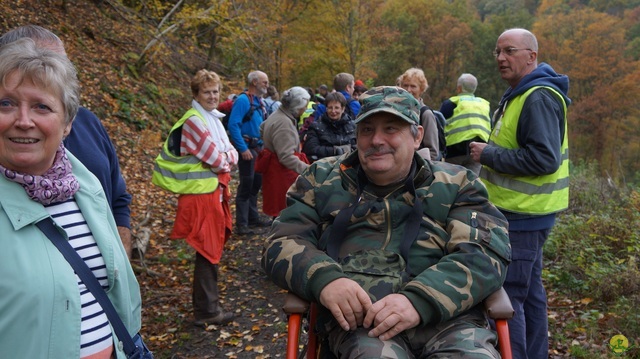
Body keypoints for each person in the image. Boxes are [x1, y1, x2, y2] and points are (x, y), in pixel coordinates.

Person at [262, 86, 511, 358]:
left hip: (448, 320)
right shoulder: (321, 179)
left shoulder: (458, 183)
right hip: (360, 321)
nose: (377, 140)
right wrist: (324, 279)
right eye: (367, 130)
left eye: (391, 129)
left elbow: (484, 254)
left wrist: (418, 301)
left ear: (417, 136)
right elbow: (282, 241)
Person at [0, 38, 141, 358]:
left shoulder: (85, 187)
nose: (23, 120)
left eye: (41, 106)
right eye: (6, 103)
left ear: (67, 124)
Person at [470, 28, 570, 359]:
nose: (501, 58)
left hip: (523, 215)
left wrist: (487, 154)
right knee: (530, 294)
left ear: (531, 56)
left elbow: (544, 159)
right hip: (524, 212)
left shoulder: (537, 97)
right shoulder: (522, 92)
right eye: (497, 52)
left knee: (509, 296)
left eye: (509, 51)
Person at [0, 25, 134, 258]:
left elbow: (118, 199)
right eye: (7, 103)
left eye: (62, 66)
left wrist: (120, 262)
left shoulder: (89, 123)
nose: (54, 73)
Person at [152, 69, 238, 327]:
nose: (212, 96)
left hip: (211, 193)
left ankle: (208, 306)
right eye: (207, 92)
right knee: (207, 249)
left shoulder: (212, 119)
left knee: (211, 248)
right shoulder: (194, 121)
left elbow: (229, 153)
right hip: (200, 196)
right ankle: (206, 311)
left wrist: (226, 158)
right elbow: (218, 160)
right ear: (196, 94)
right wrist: (225, 159)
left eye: (215, 91)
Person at [227, 70, 272, 235]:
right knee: (246, 185)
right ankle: (242, 224)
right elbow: (233, 125)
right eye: (264, 82)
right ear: (254, 82)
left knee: (256, 184)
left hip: (259, 148)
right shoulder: (243, 101)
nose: (267, 85)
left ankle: (253, 218)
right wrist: (242, 148)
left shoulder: (259, 101)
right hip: (248, 149)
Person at [257, 86, 310, 217]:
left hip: (276, 173)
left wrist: (270, 144)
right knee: (285, 215)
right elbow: (286, 157)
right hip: (282, 176)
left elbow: (262, 128)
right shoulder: (284, 123)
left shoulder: (277, 114)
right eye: (305, 106)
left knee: (279, 214)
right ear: (297, 106)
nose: (305, 109)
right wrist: (308, 170)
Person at [440, 73, 491, 174]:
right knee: (472, 184)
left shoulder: (451, 104)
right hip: (478, 152)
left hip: (454, 152)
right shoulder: (484, 104)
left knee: (452, 184)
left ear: (459, 88)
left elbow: (439, 126)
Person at [397, 68, 441, 161]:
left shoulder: (426, 114)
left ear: (421, 89)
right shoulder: (396, 110)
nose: (408, 90)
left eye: (413, 86)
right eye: (405, 85)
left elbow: (433, 151)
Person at [302, 92, 356, 162]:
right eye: (330, 108)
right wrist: (335, 150)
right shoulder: (316, 127)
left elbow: (361, 146)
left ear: (342, 109)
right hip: (325, 166)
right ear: (326, 109)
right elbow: (311, 149)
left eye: (336, 108)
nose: (333, 111)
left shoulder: (353, 126)